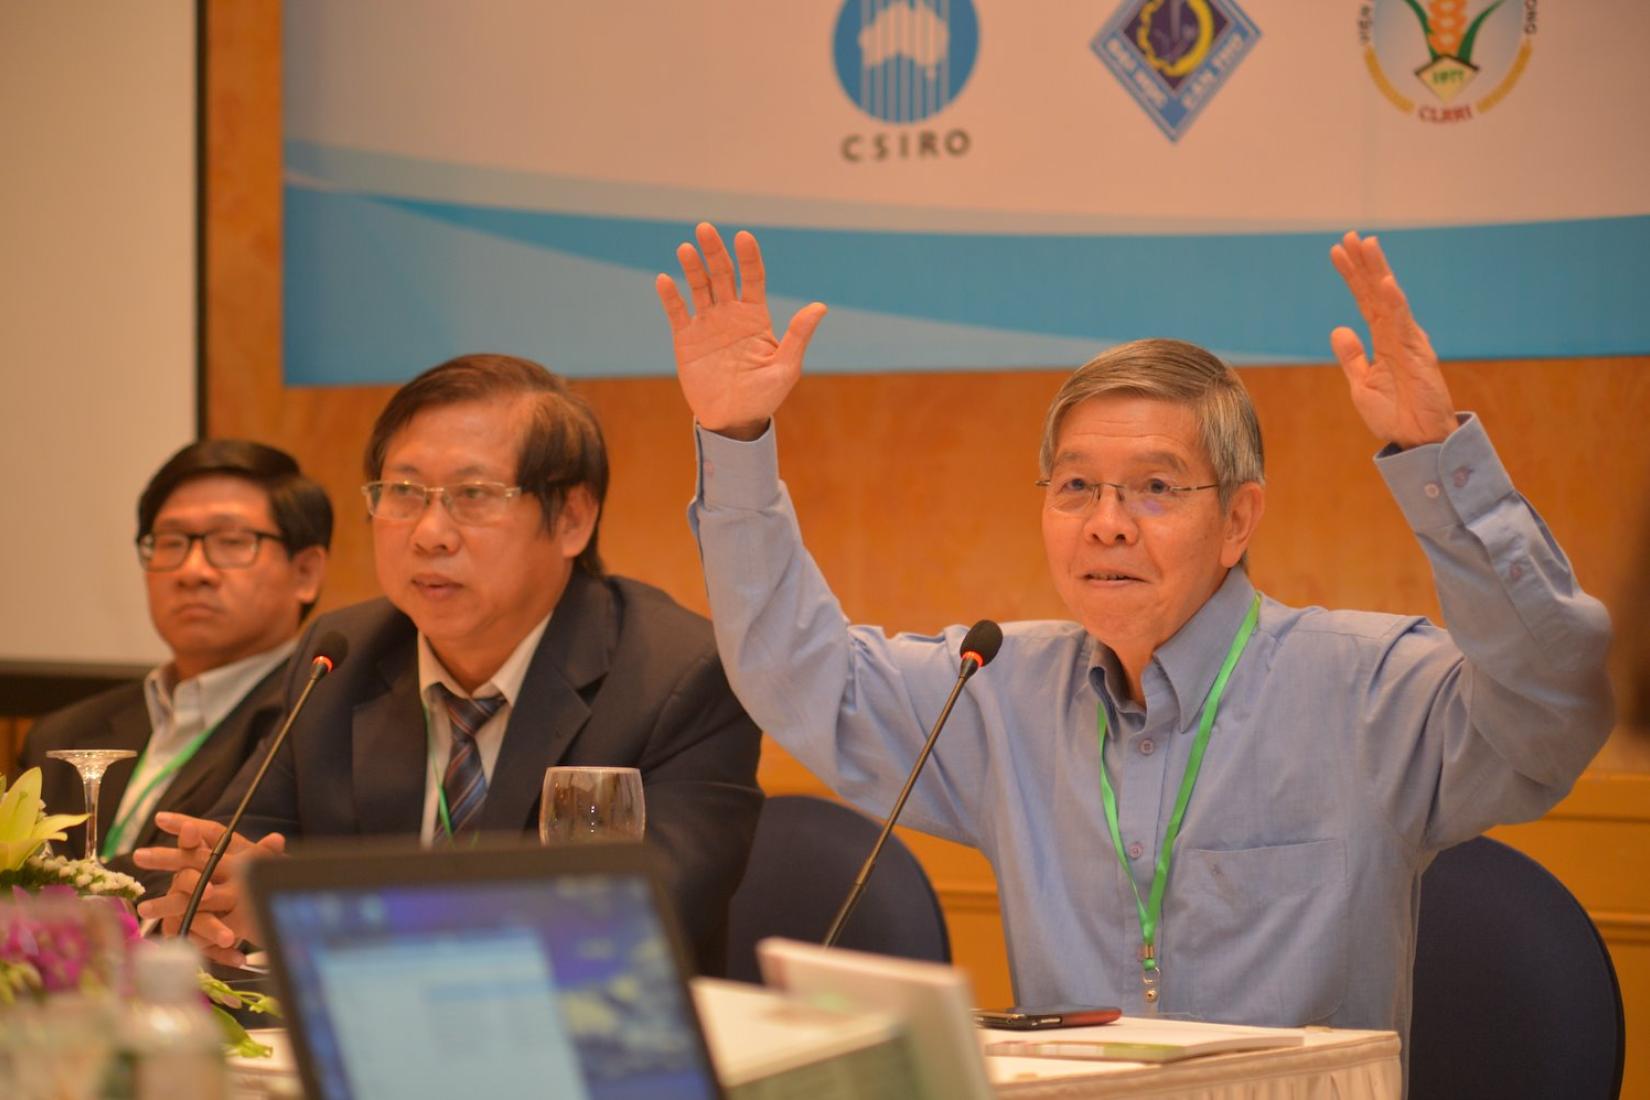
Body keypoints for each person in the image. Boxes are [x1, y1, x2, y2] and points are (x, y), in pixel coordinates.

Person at [654, 224, 1613, 1039]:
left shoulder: (1369, 690)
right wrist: (736, 443)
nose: (1106, 521)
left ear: (1239, 521)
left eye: (1155, 488)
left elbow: (1553, 707)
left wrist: (1438, 460)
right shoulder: (995, 688)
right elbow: (799, 672)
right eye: (1076, 487)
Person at [136, 355, 763, 974]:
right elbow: (230, 848)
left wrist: (304, 911)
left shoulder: (680, 677)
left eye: (474, 495)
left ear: (573, 518)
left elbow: (621, 927)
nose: (429, 533)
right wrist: (208, 889)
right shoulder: (344, 655)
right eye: (402, 493)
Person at [22, 441, 331, 889]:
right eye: (171, 542)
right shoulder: (63, 735)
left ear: (305, 573)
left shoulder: (319, 724)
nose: (192, 570)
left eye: (231, 542)